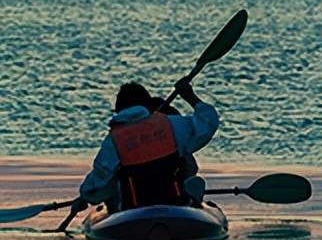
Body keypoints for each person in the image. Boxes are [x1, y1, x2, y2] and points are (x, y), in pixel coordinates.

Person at [75, 79, 219, 213]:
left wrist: (85, 196)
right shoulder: (171, 124)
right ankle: (191, 200)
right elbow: (208, 120)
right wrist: (189, 96)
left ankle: (115, 210)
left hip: (134, 207)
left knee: (109, 183)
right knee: (189, 167)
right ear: (148, 105)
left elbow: (96, 183)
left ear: (119, 110)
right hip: (175, 200)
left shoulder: (113, 141)